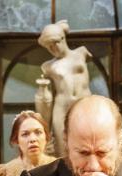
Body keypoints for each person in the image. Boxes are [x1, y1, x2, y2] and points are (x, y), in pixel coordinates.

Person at [35, 20, 92, 157]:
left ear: (63, 38)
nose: (53, 49)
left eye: (55, 44)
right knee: (63, 149)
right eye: (49, 47)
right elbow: (44, 97)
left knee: (88, 144)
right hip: (62, 108)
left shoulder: (81, 52)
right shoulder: (48, 66)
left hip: (85, 105)